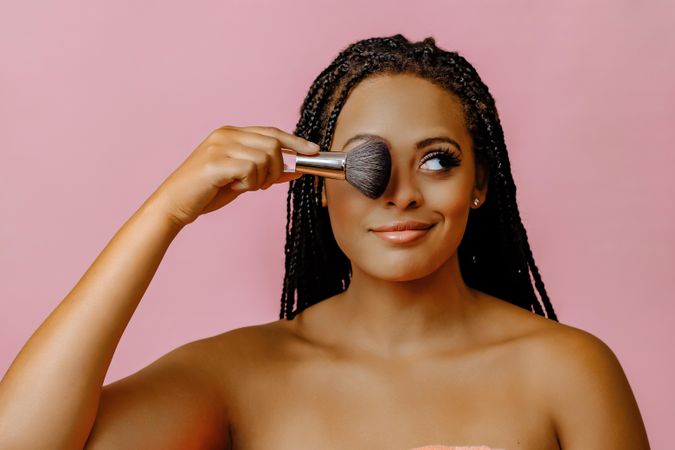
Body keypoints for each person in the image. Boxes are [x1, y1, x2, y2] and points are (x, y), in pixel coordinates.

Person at [0, 34, 650, 450]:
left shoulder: (567, 370)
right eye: (367, 163)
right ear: (320, 186)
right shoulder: (241, 375)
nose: (400, 193)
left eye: (437, 161)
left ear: (479, 184)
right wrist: (166, 212)